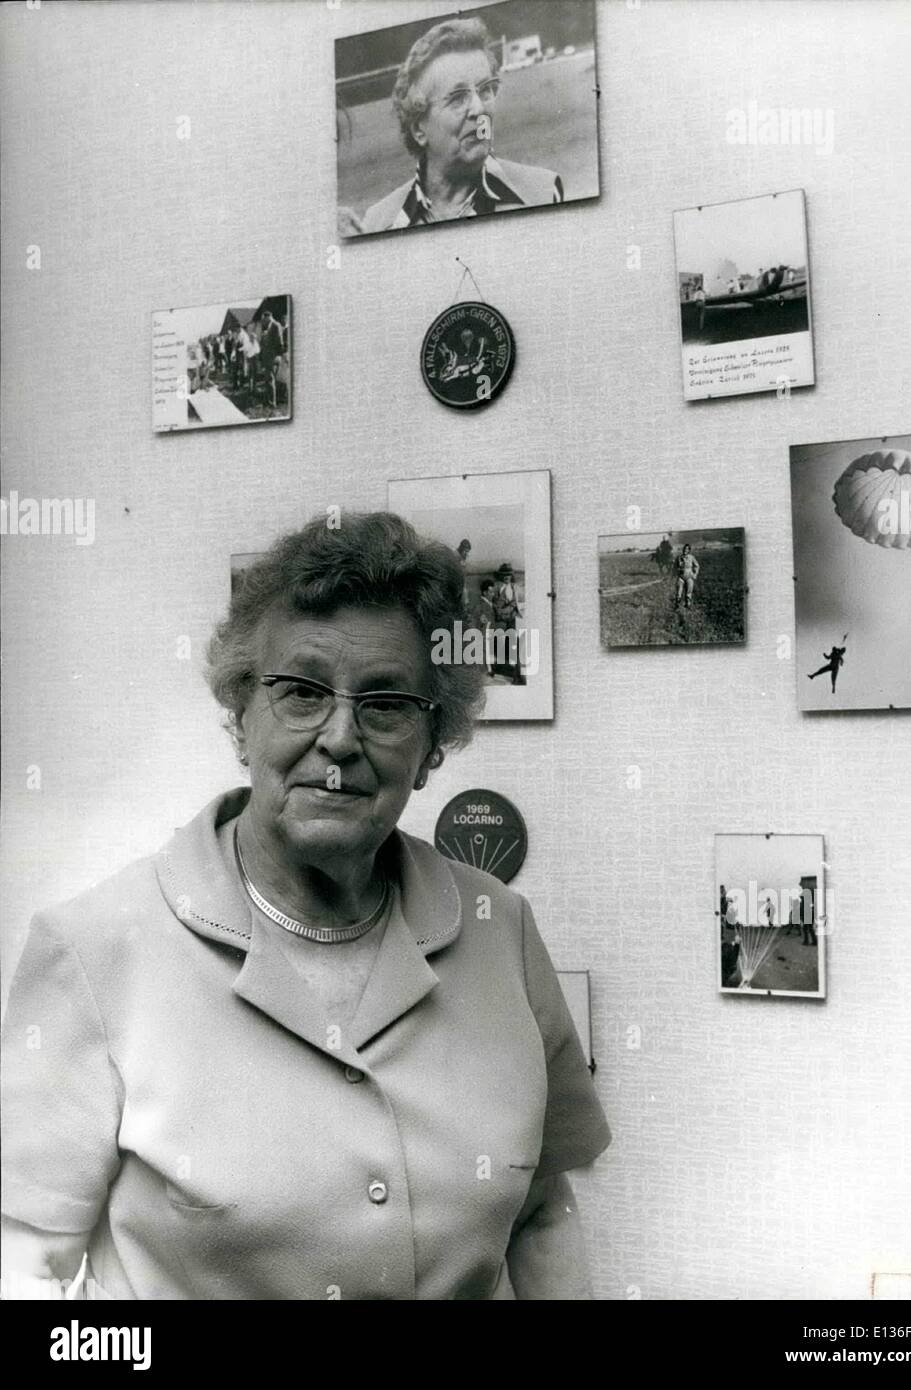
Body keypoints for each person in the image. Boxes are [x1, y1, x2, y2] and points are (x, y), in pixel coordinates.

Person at [1, 513, 610, 1301]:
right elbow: (23, 1260)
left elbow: (541, 1216)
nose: (341, 737)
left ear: (432, 748)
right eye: (301, 692)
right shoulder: (92, 949)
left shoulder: (502, 932)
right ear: (240, 719)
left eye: (387, 703)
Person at [359, 18, 563, 234]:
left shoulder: (542, 192)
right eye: (457, 98)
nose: (479, 109)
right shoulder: (378, 223)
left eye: (486, 90)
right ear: (419, 130)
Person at [492, 562, 524, 685]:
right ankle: (503, 674)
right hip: (501, 623)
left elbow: (519, 605)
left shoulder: (515, 588)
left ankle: (516, 676)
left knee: (514, 648)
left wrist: (513, 609)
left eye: (508, 575)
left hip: (512, 622)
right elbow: (497, 609)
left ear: (511, 576)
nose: (506, 577)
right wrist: (510, 607)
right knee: (501, 648)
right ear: (500, 576)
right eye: (504, 575)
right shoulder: (497, 588)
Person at [257, 308, 285, 409]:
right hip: (268, 358)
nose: (263, 321)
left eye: (264, 319)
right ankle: (268, 401)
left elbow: (280, 342)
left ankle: (272, 403)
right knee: (268, 380)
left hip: (273, 357)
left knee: (271, 380)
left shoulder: (275, 325)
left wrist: (278, 356)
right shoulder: (268, 326)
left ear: (268, 317)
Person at [467, 577, 496, 677]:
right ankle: (486, 671)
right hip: (483, 633)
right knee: (484, 652)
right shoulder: (482, 605)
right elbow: (480, 620)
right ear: (485, 593)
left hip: (485, 632)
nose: (493, 594)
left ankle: (487, 670)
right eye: (491, 592)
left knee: (486, 652)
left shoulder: (486, 604)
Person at [674, 544, 700, 609]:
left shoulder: (691, 557)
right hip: (681, 577)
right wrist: (677, 571)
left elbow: (697, 566)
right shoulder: (679, 557)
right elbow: (674, 567)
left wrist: (695, 574)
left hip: (689, 576)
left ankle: (688, 605)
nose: (685, 550)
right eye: (684, 549)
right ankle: (677, 605)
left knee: (689, 592)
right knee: (678, 592)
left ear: (689, 550)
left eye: (687, 549)